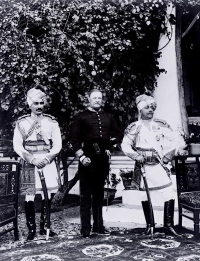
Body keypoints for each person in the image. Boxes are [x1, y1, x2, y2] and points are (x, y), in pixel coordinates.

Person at [121, 93, 186, 236]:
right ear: (140, 110)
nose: (150, 110)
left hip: (158, 165)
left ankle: (168, 226)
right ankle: (150, 225)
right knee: (145, 195)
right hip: (143, 166)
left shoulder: (160, 125)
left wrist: (168, 156)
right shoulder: (134, 127)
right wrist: (136, 155)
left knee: (169, 192)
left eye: (152, 107)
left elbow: (178, 141)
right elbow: (125, 145)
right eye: (146, 108)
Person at [13, 85, 62, 240]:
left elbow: (58, 144)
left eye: (42, 103)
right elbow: (17, 145)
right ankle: (31, 230)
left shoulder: (51, 122)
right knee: (30, 197)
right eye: (36, 103)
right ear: (30, 104)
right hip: (30, 163)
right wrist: (33, 159)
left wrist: (47, 159)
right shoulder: (22, 123)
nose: (39, 106)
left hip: (47, 162)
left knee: (48, 195)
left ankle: (44, 227)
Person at [71, 89, 121, 238]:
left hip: (102, 160)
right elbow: (74, 139)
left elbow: (118, 134)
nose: (97, 100)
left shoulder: (108, 116)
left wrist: (109, 147)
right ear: (89, 99)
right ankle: (85, 229)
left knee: (99, 194)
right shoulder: (80, 117)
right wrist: (81, 156)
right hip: (87, 159)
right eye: (94, 98)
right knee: (85, 195)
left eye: (100, 98)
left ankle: (98, 226)